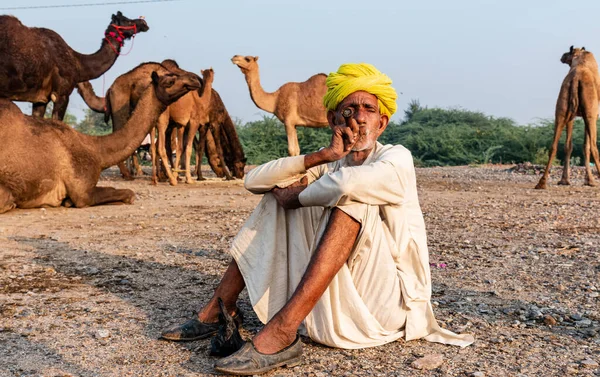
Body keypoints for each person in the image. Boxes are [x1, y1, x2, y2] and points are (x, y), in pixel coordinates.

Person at [160, 63, 474, 375]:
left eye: (368, 109)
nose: (360, 117)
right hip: (329, 315)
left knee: (349, 196)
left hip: (384, 310)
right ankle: (220, 308)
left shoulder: (396, 158)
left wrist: (296, 196)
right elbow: (253, 181)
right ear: (333, 120)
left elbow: (349, 184)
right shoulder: (330, 166)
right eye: (349, 110)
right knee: (276, 193)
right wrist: (322, 156)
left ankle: (283, 331)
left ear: (382, 122)